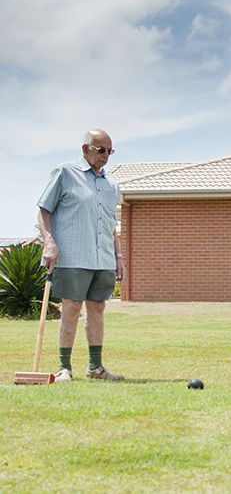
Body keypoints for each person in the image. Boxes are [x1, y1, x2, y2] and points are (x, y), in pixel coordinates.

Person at [37, 129, 125, 382]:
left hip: (103, 258)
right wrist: (49, 242)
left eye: (110, 151)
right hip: (73, 255)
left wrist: (119, 258)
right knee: (72, 308)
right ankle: (64, 368)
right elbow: (44, 210)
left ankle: (95, 368)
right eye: (101, 150)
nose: (106, 156)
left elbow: (111, 225)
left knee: (97, 307)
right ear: (85, 148)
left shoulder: (111, 185)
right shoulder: (65, 174)